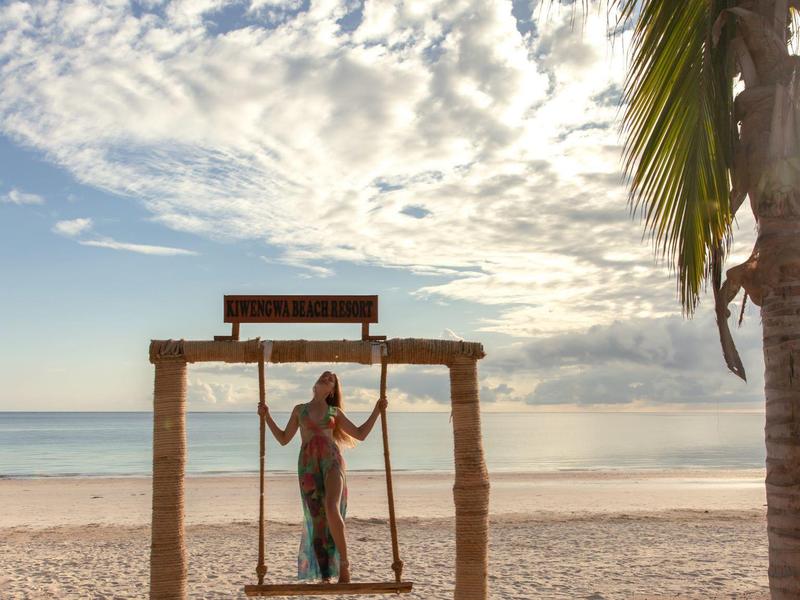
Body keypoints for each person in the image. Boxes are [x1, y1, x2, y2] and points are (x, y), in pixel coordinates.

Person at [258, 370, 387, 584]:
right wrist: (267, 417)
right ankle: (326, 575)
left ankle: (345, 566)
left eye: (331, 379)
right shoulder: (300, 410)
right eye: (324, 376)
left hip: (332, 462)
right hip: (308, 467)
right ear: (316, 384)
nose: (326, 378)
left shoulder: (334, 411)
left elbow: (361, 434)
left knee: (330, 507)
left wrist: (377, 410)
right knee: (317, 521)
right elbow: (283, 438)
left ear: (332, 391)